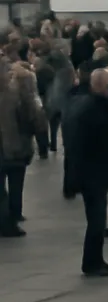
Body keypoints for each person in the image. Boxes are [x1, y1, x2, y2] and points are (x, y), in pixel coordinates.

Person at [65, 68, 108, 276]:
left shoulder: (82, 105)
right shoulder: (97, 111)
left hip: (87, 171)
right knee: (97, 219)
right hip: (95, 173)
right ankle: (92, 262)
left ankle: (95, 259)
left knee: (96, 218)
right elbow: (103, 144)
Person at [0, 63, 48, 232]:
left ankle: (6, 218)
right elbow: (32, 118)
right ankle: (13, 216)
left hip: (7, 144)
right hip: (16, 144)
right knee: (16, 182)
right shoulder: (17, 96)